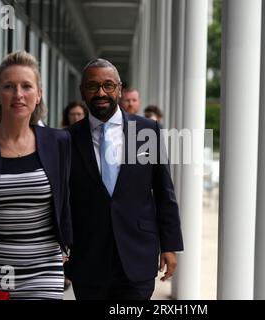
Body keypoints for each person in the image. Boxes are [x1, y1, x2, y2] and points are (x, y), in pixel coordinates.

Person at [0, 51, 72, 300]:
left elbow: (69, 199)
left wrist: (69, 245)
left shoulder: (59, 142)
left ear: (38, 94)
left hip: (43, 272)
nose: (18, 94)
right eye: (9, 86)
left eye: (26, 86)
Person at [65, 58, 183, 300]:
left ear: (119, 89)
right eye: (93, 86)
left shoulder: (148, 130)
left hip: (137, 253)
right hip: (88, 258)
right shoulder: (66, 139)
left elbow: (163, 191)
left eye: (108, 85)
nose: (101, 92)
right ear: (82, 91)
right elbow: (61, 197)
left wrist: (170, 245)